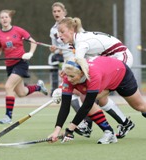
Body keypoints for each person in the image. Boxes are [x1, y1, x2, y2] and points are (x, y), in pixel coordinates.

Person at [48, 56, 146, 144]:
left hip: (120, 74)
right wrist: (56, 131)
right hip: (105, 76)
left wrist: (70, 129)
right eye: (67, 76)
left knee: (140, 106)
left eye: (72, 77)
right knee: (87, 100)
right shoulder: (69, 76)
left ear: (82, 73)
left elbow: (87, 106)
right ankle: (109, 132)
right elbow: (65, 106)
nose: (68, 79)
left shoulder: (93, 76)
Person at [57, 17, 135, 139]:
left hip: (120, 58)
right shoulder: (78, 38)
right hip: (108, 60)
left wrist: (61, 87)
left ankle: (88, 124)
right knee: (94, 97)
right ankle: (125, 122)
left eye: (62, 32)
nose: (59, 35)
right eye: (58, 32)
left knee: (89, 96)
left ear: (72, 30)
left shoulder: (81, 43)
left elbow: (78, 62)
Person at [0, 9, 48, 124]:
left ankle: (8, 116)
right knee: (21, 93)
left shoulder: (18, 30)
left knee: (8, 86)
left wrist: (30, 53)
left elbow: (33, 42)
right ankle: (38, 87)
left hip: (21, 63)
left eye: (6, 17)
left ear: (10, 18)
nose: (4, 19)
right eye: (2, 17)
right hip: (9, 66)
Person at [49, 2, 93, 137]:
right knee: (71, 94)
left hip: (78, 62)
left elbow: (83, 41)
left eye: (58, 11)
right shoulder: (52, 30)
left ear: (64, 12)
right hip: (67, 63)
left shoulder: (72, 24)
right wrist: (55, 49)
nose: (56, 13)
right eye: (54, 11)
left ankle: (87, 123)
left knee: (86, 94)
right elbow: (58, 47)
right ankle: (85, 123)